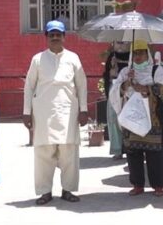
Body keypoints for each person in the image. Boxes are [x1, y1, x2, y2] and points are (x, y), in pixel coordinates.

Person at [22, 20, 88, 205]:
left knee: (69, 152)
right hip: (43, 114)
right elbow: (29, 87)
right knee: (44, 153)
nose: (55, 37)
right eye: (52, 35)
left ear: (64, 37)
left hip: (68, 112)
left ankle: (68, 190)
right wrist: (26, 112)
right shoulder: (37, 59)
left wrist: (83, 110)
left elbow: (82, 86)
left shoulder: (73, 58)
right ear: (46, 37)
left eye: (58, 34)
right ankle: (45, 192)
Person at [110, 40, 163, 196]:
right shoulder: (126, 71)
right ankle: (138, 184)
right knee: (134, 153)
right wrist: (126, 83)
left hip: (154, 120)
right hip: (132, 118)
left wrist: (146, 89)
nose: (138, 56)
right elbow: (115, 92)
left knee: (156, 154)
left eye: (142, 53)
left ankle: (158, 185)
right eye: (136, 53)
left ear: (147, 54)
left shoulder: (156, 70)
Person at [103, 48, 124, 159]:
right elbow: (107, 74)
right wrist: (112, 67)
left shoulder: (132, 54)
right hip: (113, 91)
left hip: (127, 91)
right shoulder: (112, 55)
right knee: (113, 119)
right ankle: (117, 149)